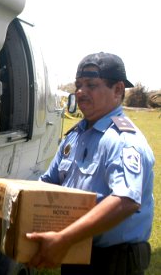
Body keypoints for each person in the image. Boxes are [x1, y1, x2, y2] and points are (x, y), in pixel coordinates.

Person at [26, 52, 154, 274]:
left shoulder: (123, 140)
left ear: (117, 90)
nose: (80, 92)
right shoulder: (75, 136)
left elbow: (126, 200)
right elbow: (48, 183)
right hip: (77, 250)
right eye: (78, 85)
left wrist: (65, 239)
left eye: (91, 85)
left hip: (113, 262)